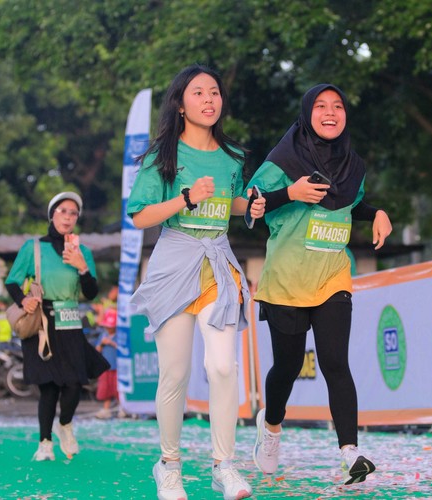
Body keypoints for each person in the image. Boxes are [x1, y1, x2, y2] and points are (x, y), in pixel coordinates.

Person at [127, 64, 265, 500]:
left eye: (214, 92)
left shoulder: (233, 156)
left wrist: (249, 206)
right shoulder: (162, 156)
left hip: (217, 263)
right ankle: (168, 466)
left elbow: (233, 201)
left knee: (223, 367)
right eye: (199, 92)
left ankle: (224, 466)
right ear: (181, 105)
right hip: (173, 262)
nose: (209, 99)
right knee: (175, 374)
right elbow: (140, 216)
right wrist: (185, 197)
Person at [248, 84, 392, 485]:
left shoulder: (352, 165)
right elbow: (252, 204)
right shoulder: (282, 160)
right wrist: (290, 192)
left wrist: (377, 212)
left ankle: (350, 452)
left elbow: (350, 202)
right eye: (321, 106)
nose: (330, 112)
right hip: (287, 279)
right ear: (307, 113)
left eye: (338, 106)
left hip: (332, 275)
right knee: (288, 366)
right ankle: (271, 426)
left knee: (335, 362)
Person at [5, 192, 109, 461]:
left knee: (74, 383)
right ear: (52, 215)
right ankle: (45, 444)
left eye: (73, 213)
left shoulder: (83, 252)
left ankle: (65, 424)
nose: (68, 216)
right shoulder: (33, 247)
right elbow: (12, 281)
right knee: (48, 387)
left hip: (71, 321)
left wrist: (82, 267)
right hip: (42, 323)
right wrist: (24, 300)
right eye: (63, 210)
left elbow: (91, 293)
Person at [95, 308, 119, 419]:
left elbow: (123, 348)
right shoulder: (103, 335)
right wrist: (102, 344)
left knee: (117, 389)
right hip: (106, 367)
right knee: (106, 389)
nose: (108, 328)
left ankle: (122, 408)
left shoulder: (119, 334)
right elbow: (97, 350)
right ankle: (106, 409)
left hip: (117, 367)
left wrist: (111, 343)